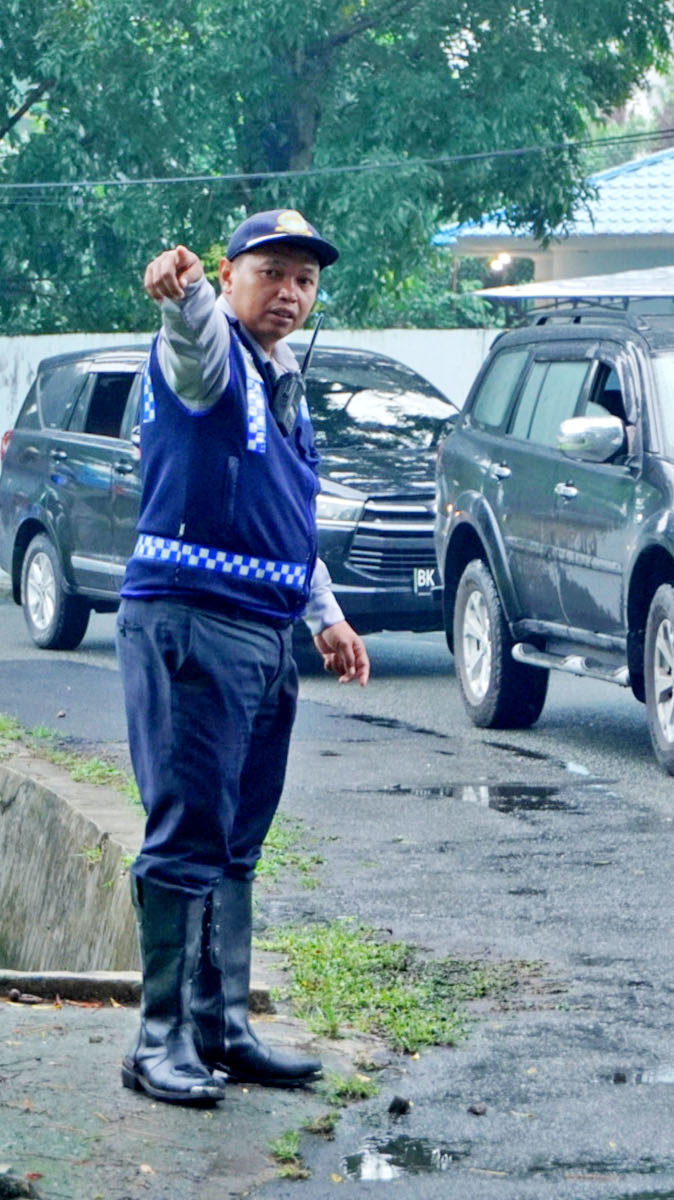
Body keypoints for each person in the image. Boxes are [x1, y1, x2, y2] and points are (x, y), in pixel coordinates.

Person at [122, 210, 370, 1106]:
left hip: (264, 634)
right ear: (231, 275)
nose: (292, 292)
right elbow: (189, 339)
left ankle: (221, 1027)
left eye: (305, 277)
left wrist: (324, 616)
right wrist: (180, 292)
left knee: (237, 841)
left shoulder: (283, 381)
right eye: (272, 272)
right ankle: (159, 1039)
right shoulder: (212, 356)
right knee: (188, 833)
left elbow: (284, 516)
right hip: (192, 624)